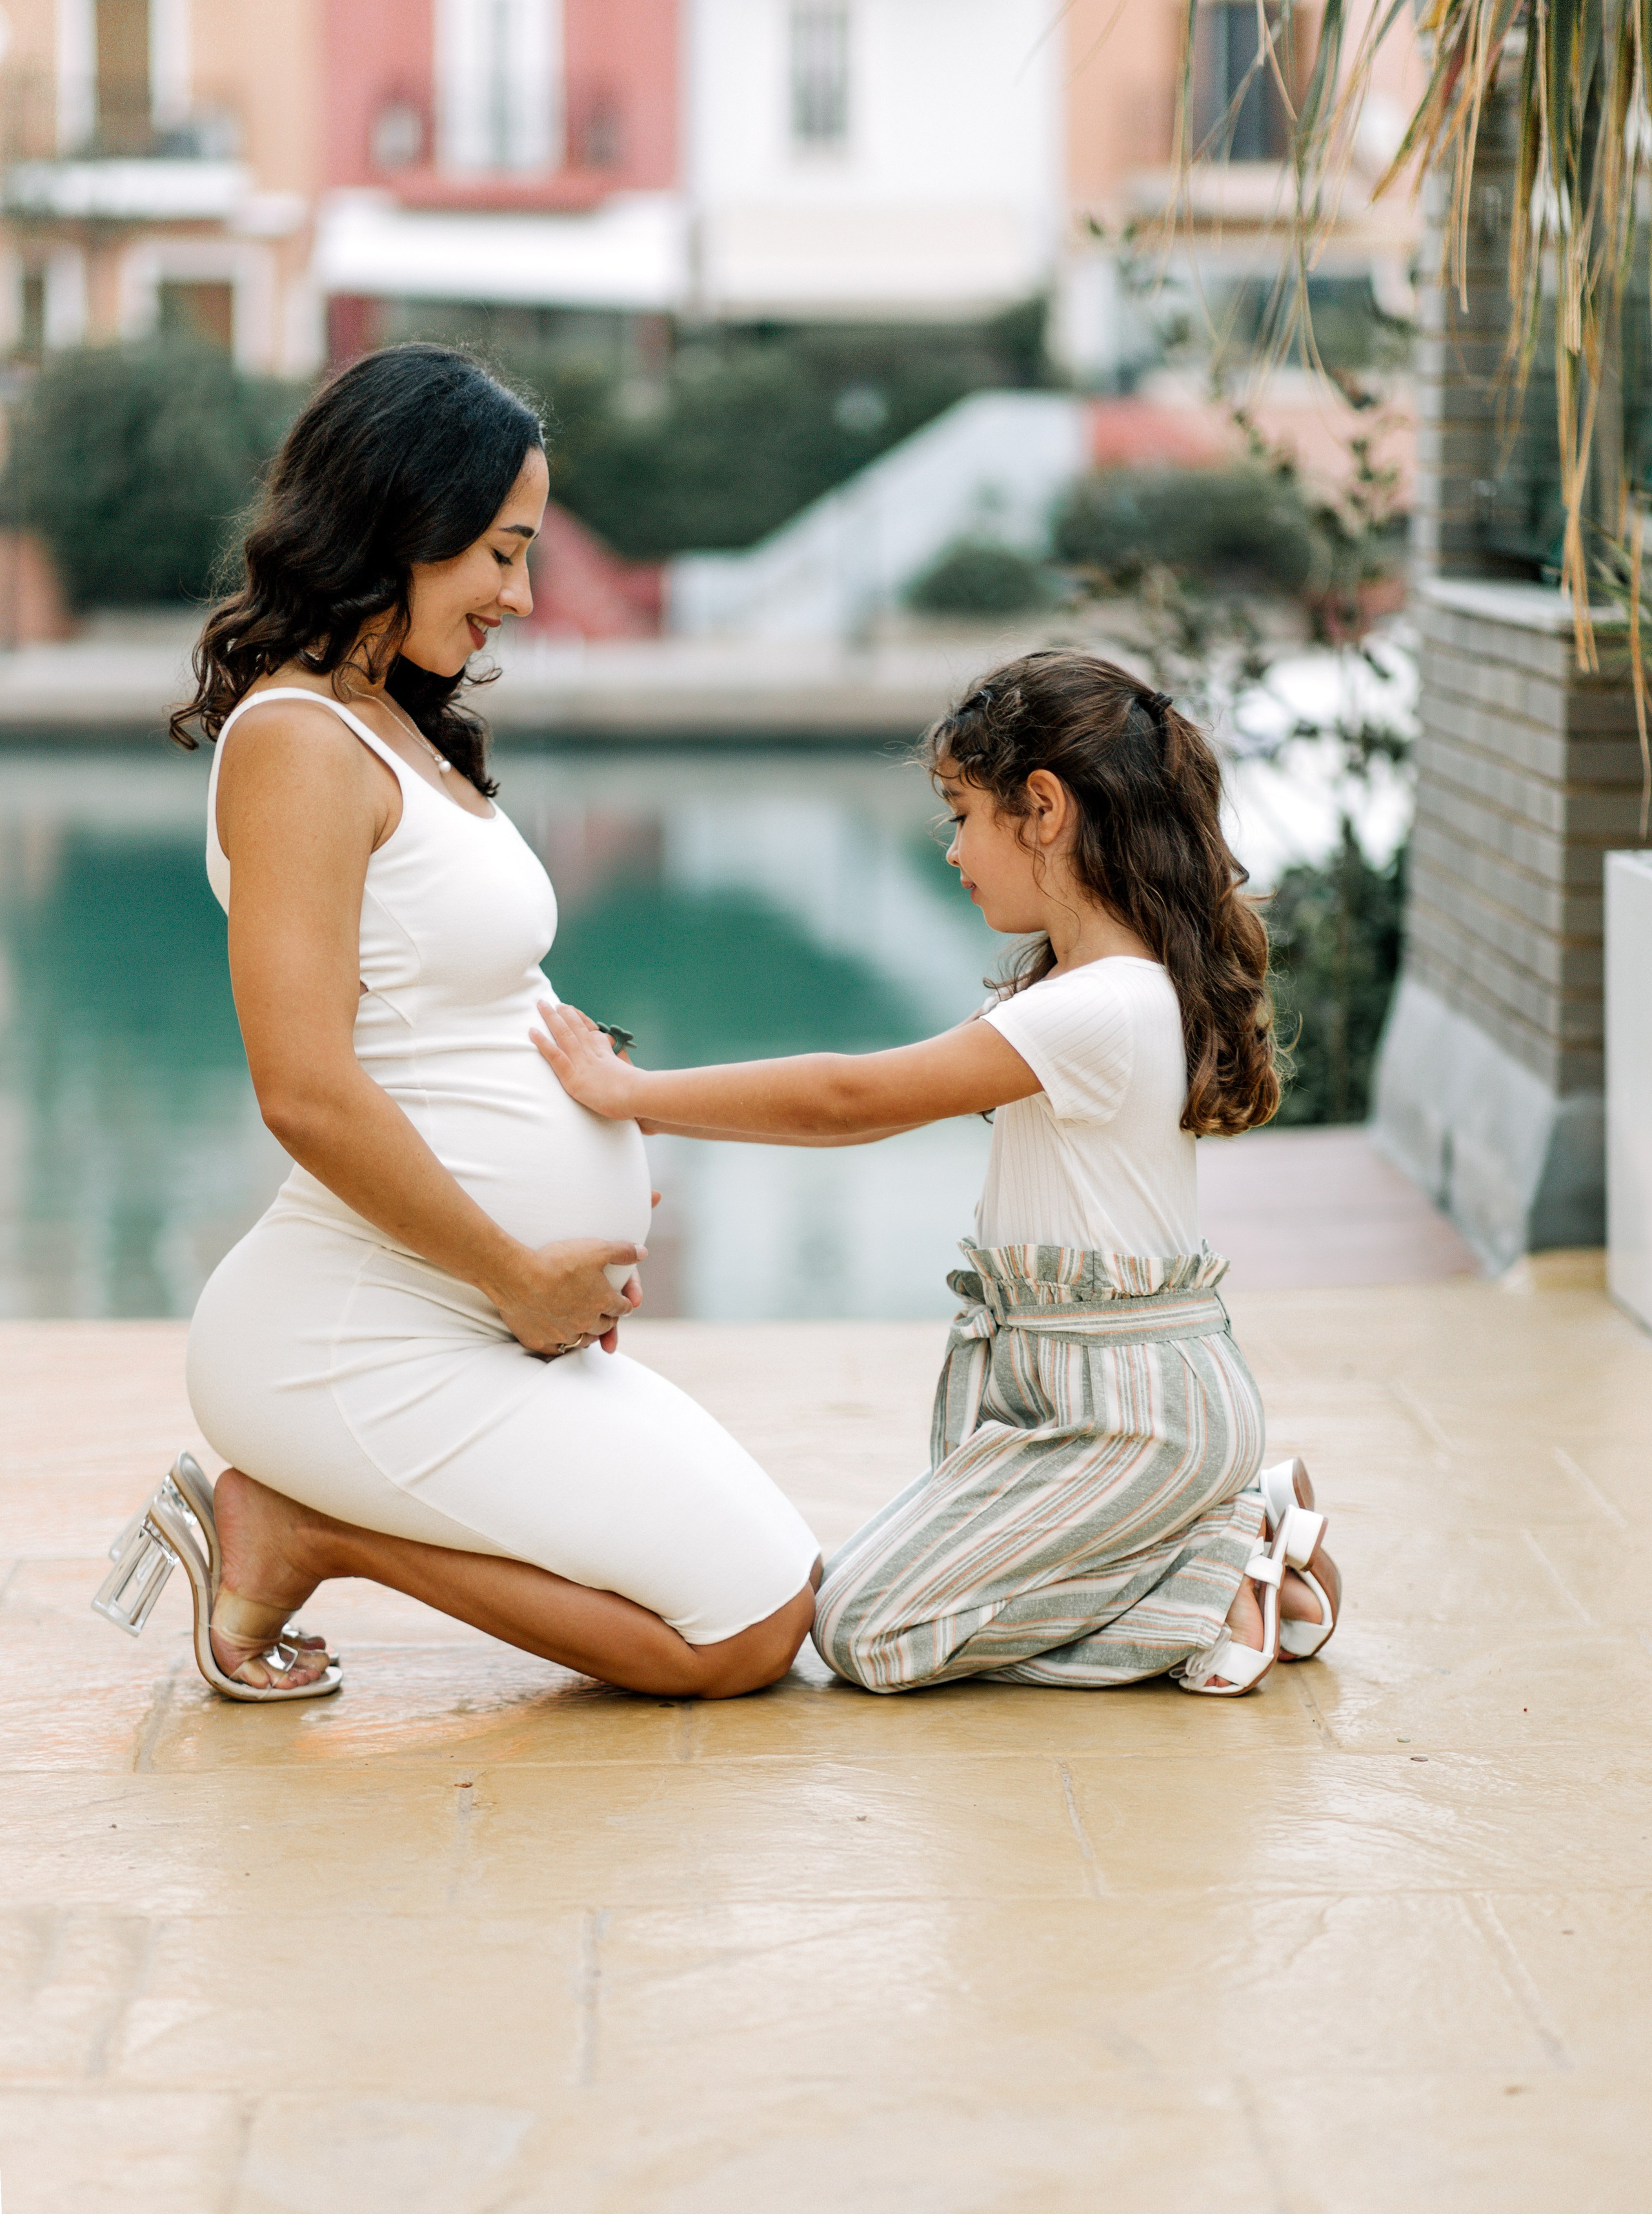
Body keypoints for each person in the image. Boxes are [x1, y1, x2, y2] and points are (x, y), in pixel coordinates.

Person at [94, 345, 820, 1703]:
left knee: (782, 1583)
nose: (521, 595)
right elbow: (302, 1087)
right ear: (400, 520)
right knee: (739, 1636)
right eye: (499, 552)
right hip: (357, 1330)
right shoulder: (301, 743)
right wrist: (513, 1268)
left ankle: (314, 1514)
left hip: (467, 1314)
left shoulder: (393, 725)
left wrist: (591, 1110)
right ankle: (307, 1523)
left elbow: (455, 997)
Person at [533, 651, 1342, 1697]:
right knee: (861, 1605)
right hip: (1074, 1395)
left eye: (963, 814)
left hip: (1136, 1413)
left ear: (1042, 809)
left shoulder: (1102, 1005)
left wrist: (627, 1092)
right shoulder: (1080, 989)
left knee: (867, 1628)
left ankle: (1221, 1557)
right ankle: (1225, 1537)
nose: (953, 847)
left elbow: (850, 1099)